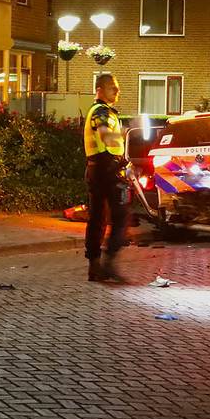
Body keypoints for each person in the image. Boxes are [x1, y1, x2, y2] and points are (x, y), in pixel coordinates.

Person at [83, 72, 129, 282]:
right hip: (106, 169)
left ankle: (95, 266)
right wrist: (125, 133)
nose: (117, 90)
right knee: (120, 216)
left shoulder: (102, 111)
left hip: (96, 168)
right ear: (100, 90)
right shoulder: (101, 111)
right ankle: (108, 262)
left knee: (97, 218)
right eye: (113, 87)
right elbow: (104, 135)